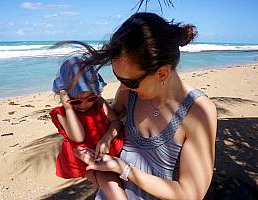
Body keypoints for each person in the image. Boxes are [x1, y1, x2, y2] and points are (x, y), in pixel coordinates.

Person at [58, 12, 217, 200]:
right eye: (119, 79)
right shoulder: (129, 93)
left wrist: (123, 169)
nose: (123, 87)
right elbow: (107, 122)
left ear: (162, 74)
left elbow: (190, 193)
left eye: (130, 82)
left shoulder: (197, 111)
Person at [49, 55, 127, 200]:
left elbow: (116, 122)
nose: (85, 104)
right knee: (109, 180)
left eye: (90, 98)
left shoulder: (99, 102)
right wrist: (69, 108)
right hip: (85, 156)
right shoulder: (62, 113)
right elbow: (78, 137)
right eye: (76, 101)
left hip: (106, 145)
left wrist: (107, 138)